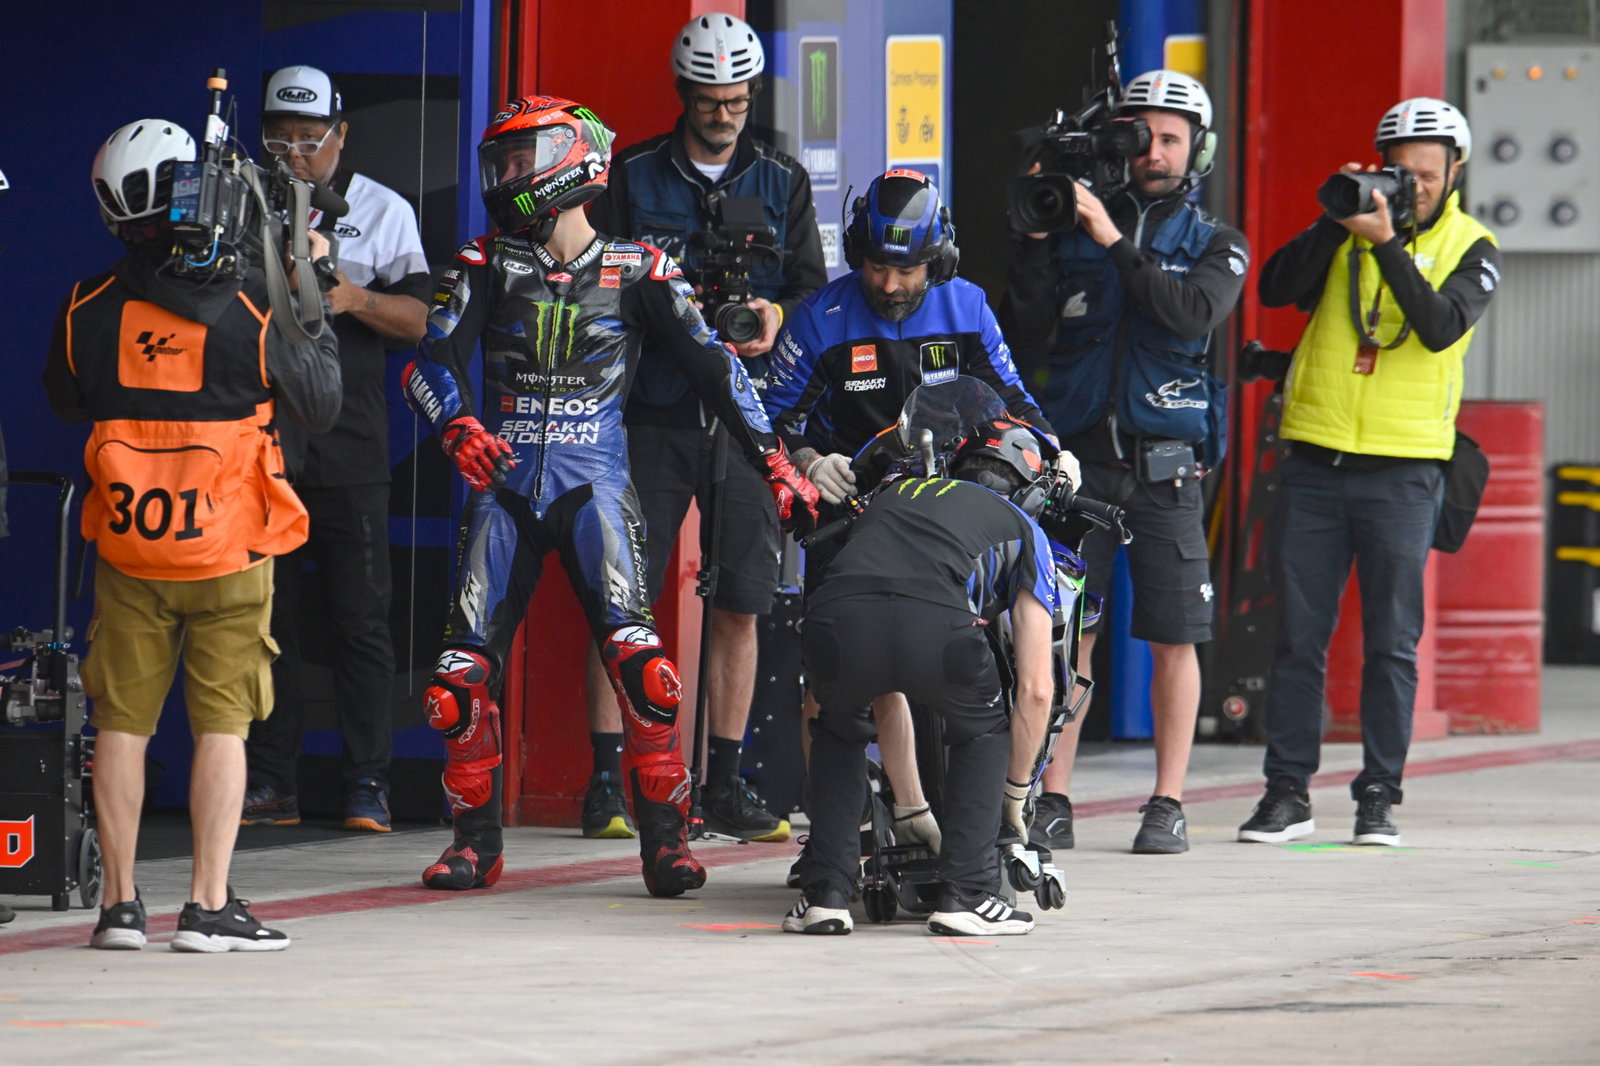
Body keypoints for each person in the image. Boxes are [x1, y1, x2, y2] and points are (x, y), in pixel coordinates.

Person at [401, 95, 819, 895]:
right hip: (504, 482)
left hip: (597, 479)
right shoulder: (484, 263)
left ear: (570, 161)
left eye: (522, 161)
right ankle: (473, 844)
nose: (507, 177)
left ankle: (666, 845)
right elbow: (428, 363)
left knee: (644, 668)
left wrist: (775, 463)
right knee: (456, 679)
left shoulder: (643, 270)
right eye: (505, 163)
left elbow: (717, 367)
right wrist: (455, 425)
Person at [42, 118, 340, 950]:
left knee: (122, 726)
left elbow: (67, 400)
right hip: (231, 549)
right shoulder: (252, 304)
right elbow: (320, 401)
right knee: (223, 728)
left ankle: (121, 908)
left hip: (129, 552)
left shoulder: (86, 308)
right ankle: (207, 906)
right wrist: (303, 280)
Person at [581, 12, 826, 842]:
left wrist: (774, 311)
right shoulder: (633, 171)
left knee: (742, 602)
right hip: (649, 409)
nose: (725, 114)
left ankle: (724, 780)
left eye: (737, 99)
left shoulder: (783, 180)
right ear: (684, 94)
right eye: (710, 100)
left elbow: (813, 291)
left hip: (747, 416)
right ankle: (606, 783)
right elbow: (589, 279)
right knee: (625, 598)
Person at [765, 167, 1058, 856]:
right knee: (834, 686)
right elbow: (771, 420)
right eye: (874, 268)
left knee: (988, 659)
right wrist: (809, 462)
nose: (890, 284)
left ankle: (984, 816)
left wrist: (1054, 450)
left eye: (908, 271)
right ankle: (830, 841)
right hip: (851, 513)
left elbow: (1015, 398)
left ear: (940, 261)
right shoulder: (821, 317)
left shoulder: (968, 307)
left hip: (954, 519)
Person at [1239, 98, 1499, 847]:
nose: (1410, 186)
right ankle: (1286, 791)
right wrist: (1336, 219)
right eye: (1399, 171)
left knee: (1390, 640)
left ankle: (1378, 793)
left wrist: (1387, 243)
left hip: (1405, 469)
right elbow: (1274, 289)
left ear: (1455, 172)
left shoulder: (1473, 246)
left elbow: (1440, 325)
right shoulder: (1350, 229)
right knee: (1298, 637)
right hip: (1316, 457)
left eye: (1425, 174)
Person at [1000, 70, 1248, 855]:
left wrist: (1111, 237)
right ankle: (1054, 795)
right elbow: (1025, 328)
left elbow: (1187, 313)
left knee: (1175, 637)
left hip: (1167, 462)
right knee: (1071, 632)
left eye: (1171, 137)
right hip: (1080, 464)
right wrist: (1039, 237)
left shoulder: (1217, 242)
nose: (1154, 150)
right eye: (1140, 134)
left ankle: (1168, 801)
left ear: (1197, 149)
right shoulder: (1074, 226)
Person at [242, 65, 430, 833]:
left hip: (352, 442)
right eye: (280, 137)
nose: (294, 152)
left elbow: (420, 319)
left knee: (361, 619)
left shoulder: (383, 209)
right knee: (263, 619)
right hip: (260, 440)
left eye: (310, 138)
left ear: (341, 133)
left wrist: (348, 293)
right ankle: (270, 783)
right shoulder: (240, 199)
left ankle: (368, 783)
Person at [784, 423, 1058, 936]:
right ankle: (968, 895)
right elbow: (1038, 689)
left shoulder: (896, 492)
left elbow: (885, 667)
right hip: (937, 628)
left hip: (837, 619)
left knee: (839, 731)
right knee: (982, 730)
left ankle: (826, 895)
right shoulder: (1024, 526)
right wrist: (1015, 795)